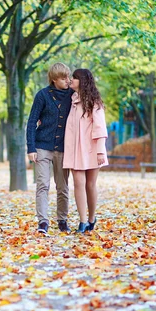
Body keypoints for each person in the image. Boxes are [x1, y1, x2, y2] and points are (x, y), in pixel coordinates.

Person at [26, 63, 73, 234]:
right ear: (54, 80)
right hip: (42, 147)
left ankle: (62, 220)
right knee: (43, 185)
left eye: (68, 77)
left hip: (63, 149)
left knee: (62, 187)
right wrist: (31, 148)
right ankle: (43, 222)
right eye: (63, 78)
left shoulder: (73, 96)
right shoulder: (42, 95)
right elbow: (32, 122)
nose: (67, 80)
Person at [63, 68, 108, 233]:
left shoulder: (94, 103)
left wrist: (101, 151)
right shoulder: (72, 100)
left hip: (92, 149)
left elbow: (100, 128)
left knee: (90, 184)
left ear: (82, 81)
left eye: (74, 78)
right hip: (75, 150)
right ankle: (82, 222)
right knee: (78, 183)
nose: (71, 81)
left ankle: (91, 218)